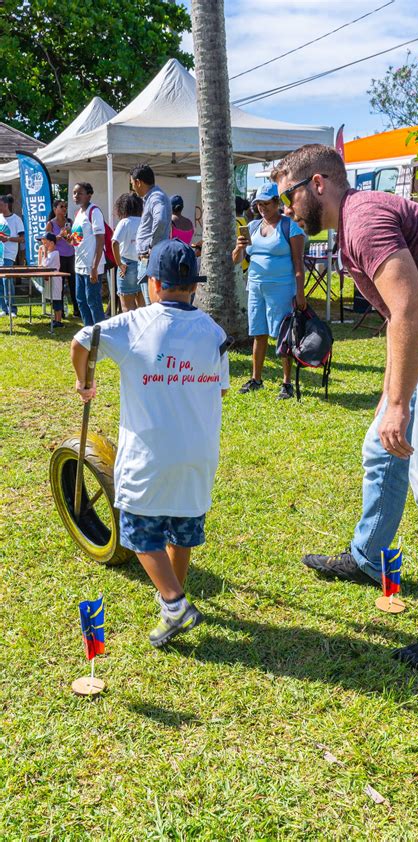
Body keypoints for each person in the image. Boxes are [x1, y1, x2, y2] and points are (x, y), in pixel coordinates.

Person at [273, 143, 418, 671]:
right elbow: (396, 320)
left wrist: (400, 403)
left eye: (289, 196)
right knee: (381, 448)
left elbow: (411, 308)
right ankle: (368, 558)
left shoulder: (363, 219)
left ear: (318, 184)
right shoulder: (355, 223)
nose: (287, 209)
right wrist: (391, 398)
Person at [71, 239, 230, 648]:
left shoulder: (134, 323)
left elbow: (81, 341)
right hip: (199, 453)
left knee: (139, 533)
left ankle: (175, 603)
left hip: (150, 455)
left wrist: (84, 382)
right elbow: (222, 391)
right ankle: (172, 610)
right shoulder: (215, 333)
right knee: (182, 527)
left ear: (154, 283)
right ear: (193, 286)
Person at [232, 182, 306, 399]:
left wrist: (300, 293)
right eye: (259, 204)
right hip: (255, 287)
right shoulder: (253, 226)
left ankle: (286, 383)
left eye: (266, 203)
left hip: (282, 288)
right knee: (258, 332)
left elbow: (298, 263)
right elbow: (236, 260)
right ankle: (256, 379)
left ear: (276, 203)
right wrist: (239, 247)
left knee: (284, 335)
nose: (262, 208)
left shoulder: (290, 227)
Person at [130, 164, 171, 306]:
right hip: (150, 258)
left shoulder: (155, 197)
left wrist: (152, 247)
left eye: (132, 184)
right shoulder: (154, 196)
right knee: (152, 305)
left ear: (138, 182)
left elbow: (161, 220)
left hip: (150, 259)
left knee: (152, 305)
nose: (133, 188)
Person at [70, 182, 106, 326]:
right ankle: (89, 332)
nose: (76, 196)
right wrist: (69, 239)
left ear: (89, 195)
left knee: (93, 301)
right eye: (74, 193)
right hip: (79, 264)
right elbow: (79, 240)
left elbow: (100, 239)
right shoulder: (78, 213)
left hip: (92, 265)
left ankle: (101, 334)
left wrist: (94, 267)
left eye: (79, 193)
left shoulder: (94, 211)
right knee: (81, 300)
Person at [111, 192, 144, 312]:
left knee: (128, 310)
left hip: (127, 265)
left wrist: (119, 263)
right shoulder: (144, 221)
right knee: (142, 310)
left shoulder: (124, 222)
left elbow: (114, 242)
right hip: (143, 264)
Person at [46, 199, 79, 318]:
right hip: (58, 257)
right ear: (55, 209)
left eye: (65, 206)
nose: (64, 209)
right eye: (61, 206)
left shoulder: (69, 221)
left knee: (73, 283)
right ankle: (60, 312)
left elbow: (74, 238)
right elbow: (48, 241)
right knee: (59, 285)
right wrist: (60, 235)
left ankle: (77, 310)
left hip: (71, 255)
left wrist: (70, 235)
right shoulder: (50, 223)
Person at [0, 194, 24, 317]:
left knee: (7, 280)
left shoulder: (16, 219)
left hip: (9, 254)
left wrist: (7, 238)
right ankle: (3, 308)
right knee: (0, 281)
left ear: (5, 205)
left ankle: (12, 309)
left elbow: (22, 239)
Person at [37, 232, 63, 327]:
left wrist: (44, 254)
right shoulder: (49, 254)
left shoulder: (55, 253)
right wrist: (41, 253)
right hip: (50, 281)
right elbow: (40, 265)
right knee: (53, 300)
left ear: (52, 243)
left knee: (57, 301)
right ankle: (55, 320)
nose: (44, 245)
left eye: (45, 243)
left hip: (55, 281)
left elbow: (46, 265)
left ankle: (59, 320)